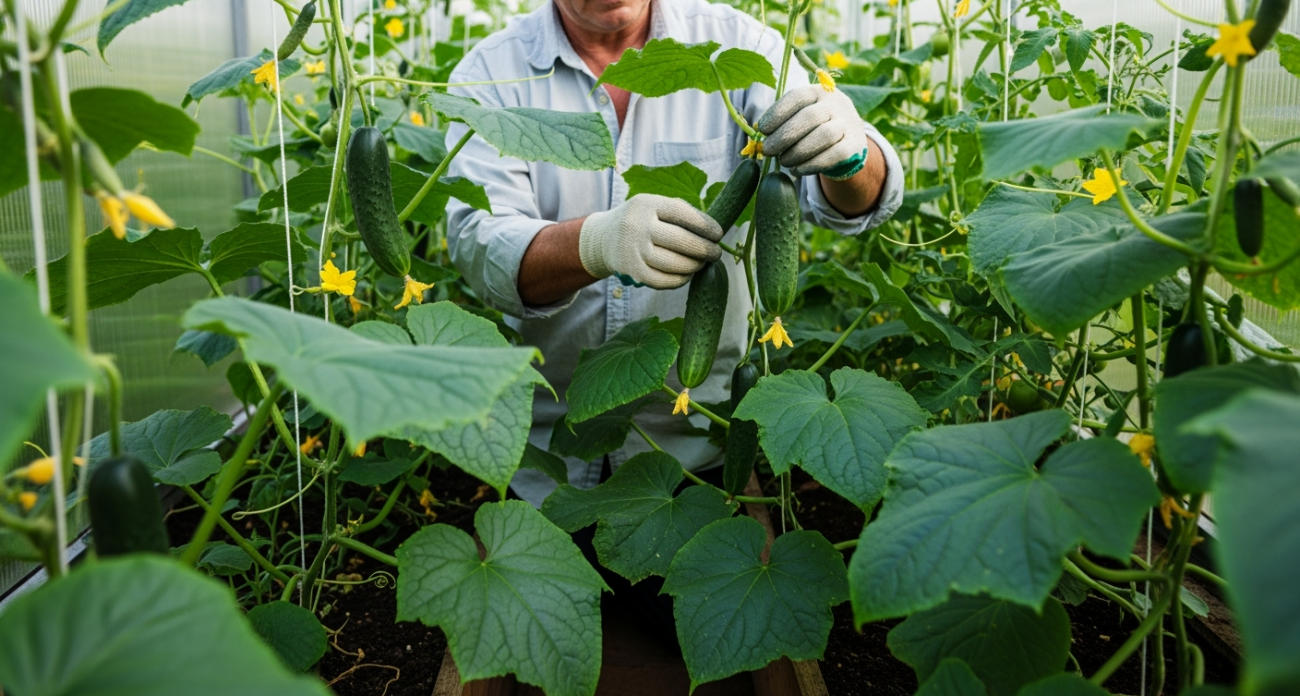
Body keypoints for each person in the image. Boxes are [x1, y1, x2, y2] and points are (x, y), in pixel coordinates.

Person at [443, 0, 904, 508]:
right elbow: (478, 241)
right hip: (548, 456)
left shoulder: (741, 45)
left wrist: (851, 154)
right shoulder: (490, 73)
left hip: (708, 448)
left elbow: (851, 203)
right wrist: (595, 243)